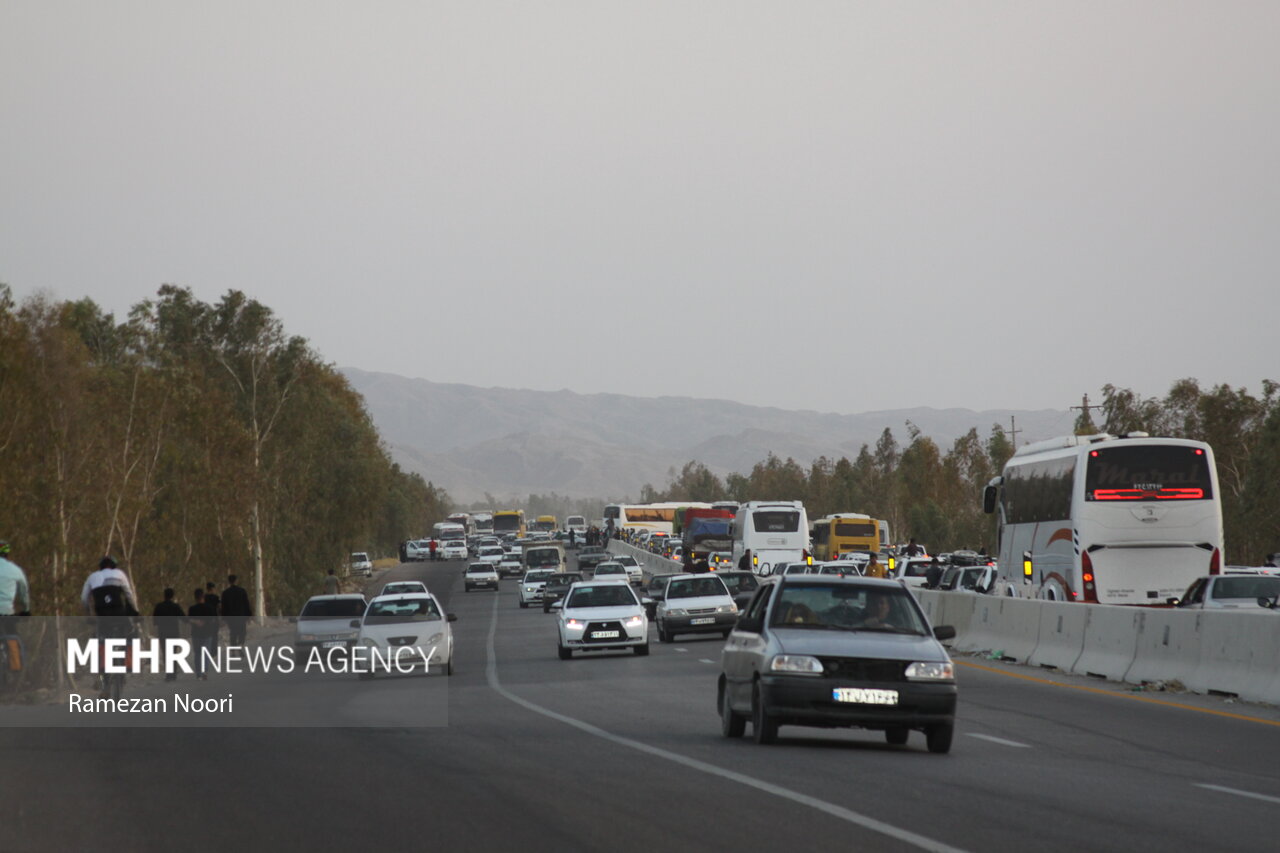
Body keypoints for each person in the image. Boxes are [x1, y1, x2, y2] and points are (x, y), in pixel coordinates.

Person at [152, 588, 186, 682]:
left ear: (164, 595)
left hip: (163, 633)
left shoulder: (159, 606)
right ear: (172, 596)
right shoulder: (176, 606)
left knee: (166, 654)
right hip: (174, 633)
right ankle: (173, 674)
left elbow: (155, 621)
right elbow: (184, 618)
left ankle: (168, 674)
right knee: (173, 653)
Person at [0, 540, 31, 637]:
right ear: (7, 553)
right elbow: (24, 594)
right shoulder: (16, 570)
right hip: (6, 613)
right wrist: (26, 610)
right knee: (12, 638)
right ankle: (14, 646)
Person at [187, 588, 217, 680]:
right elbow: (213, 620)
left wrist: (196, 622)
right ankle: (205, 671)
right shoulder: (209, 608)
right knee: (206, 653)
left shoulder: (192, 609)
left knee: (198, 653)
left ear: (195, 597)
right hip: (207, 633)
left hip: (196, 634)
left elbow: (189, 620)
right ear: (203, 597)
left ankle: (198, 673)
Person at [220, 574, 252, 646]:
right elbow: (246, 604)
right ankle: (240, 644)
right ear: (236, 581)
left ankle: (233, 648)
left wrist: (224, 617)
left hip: (231, 617)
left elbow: (224, 606)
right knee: (242, 632)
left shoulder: (225, 593)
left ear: (229, 581)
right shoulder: (242, 591)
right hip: (241, 616)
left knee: (233, 632)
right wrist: (248, 615)